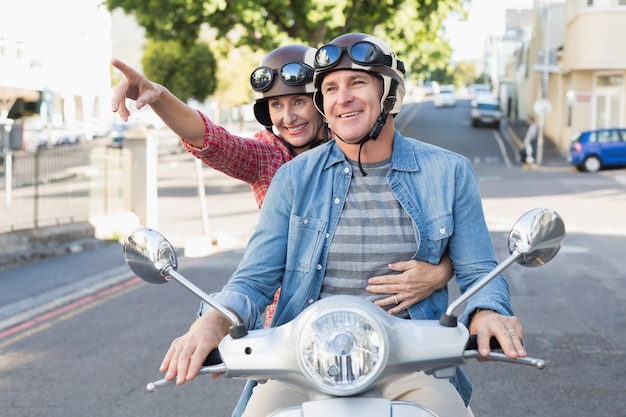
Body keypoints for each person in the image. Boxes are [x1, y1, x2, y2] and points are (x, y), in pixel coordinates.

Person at [158, 33, 527, 417]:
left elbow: (481, 270)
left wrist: (486, 311)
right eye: (330, 88)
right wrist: (212, 322)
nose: (342, 97)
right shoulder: (293, 178)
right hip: (301, 363)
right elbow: (253, 280)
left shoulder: (449, 172)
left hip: (412, 362)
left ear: (389, 94)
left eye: (357, 82)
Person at [110, 45, 453, 327]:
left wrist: (441, 272)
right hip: (292, 328)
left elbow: (438, 230)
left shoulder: (365, 145)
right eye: (276, 105)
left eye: (299, 101)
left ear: (320, 103)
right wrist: (158, 98)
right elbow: (210, 137)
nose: (289, 117)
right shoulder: (268, 160)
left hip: (386, 324)